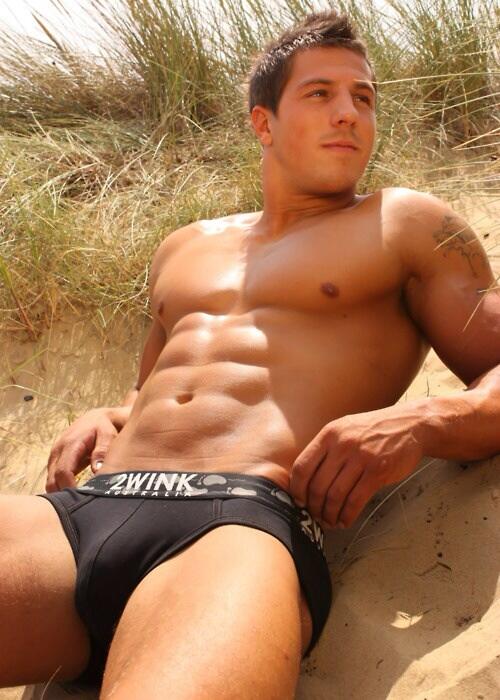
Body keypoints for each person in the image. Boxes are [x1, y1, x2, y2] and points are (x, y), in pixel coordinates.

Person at [2, 9, 499, 700]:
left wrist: (424, 421)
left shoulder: (407, 224)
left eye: (363, 97)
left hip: (235, 524)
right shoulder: (184, 246)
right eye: (320, 93)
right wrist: (108, 414)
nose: (349, 112)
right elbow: (150, 389)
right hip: (83, 511)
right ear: (263, 123)